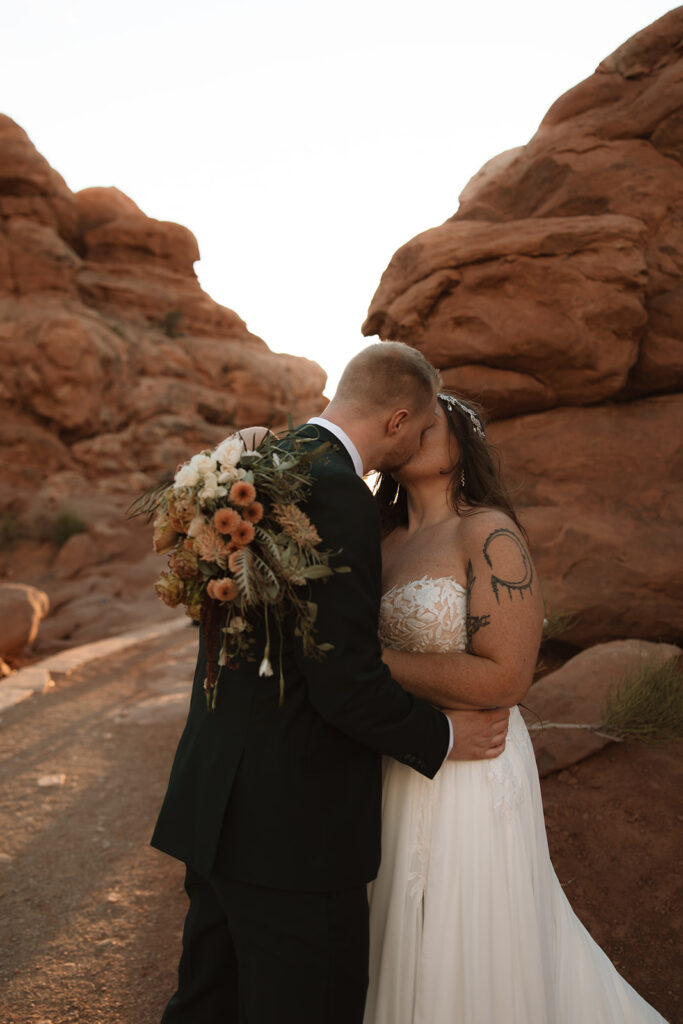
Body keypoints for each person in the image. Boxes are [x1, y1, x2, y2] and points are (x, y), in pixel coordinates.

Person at [152, 343, 509, 1024]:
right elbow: (341, 678)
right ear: (399, 421)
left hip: (214, 795)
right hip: (292, 828)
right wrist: (440, 735)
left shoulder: (251, 467)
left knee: (206, 1002)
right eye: (428, 422)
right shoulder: (339, 495)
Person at [364, 391, 668, 1024]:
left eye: (435, 419)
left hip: (473, 769)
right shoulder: (377, 539)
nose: (419, 426)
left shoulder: (488, 532)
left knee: (467, 936)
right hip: (395, 757)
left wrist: (367, 663)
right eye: (409, 418)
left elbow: (506, 679)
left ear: (459, 446)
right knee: (394, 928)